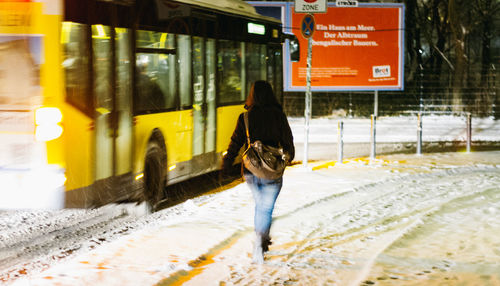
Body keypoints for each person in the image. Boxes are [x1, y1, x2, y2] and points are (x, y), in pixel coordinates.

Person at [222, 80, 295, 264]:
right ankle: (261, 241)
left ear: (252, 95)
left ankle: (261, 237)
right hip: (272, 171)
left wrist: (226, 163)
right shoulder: (278, 116)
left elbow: (235, 143)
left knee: (260, 205)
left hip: (251, 171)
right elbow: (288, 141)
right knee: (266, 207)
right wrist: (289, 156)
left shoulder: (245, 118)